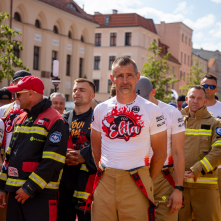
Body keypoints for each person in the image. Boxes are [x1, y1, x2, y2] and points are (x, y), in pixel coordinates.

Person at [90, 57, 167, 221]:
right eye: (119, 76)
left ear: (137, 77)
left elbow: (160, 154)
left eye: (129, 75)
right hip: (105, 180)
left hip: (138, 179)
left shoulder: (152, 110)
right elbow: (96, 149)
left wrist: (146, 177)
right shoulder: (100, 109)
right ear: (112, 79)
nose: (124, 81)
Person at [0, 75, 69, 221]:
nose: (15, 98)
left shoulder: (56, 120)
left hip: (39, 195)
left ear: (31, 93)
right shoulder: (21, 118)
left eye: (18, 94)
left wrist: (29, 188)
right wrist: (2, 187)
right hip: (14, 194)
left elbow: (53, 162)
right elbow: (9, 156)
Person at [136, 76, 185, 221]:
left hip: (164, 179)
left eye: (145, 97)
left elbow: (178, 153)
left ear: (154, 92)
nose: (142, 102)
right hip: (136, 174)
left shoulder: (172, 113)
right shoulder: (130, 111)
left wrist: (178, 188)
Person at [178, 85, 221, 221]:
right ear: (186, 99)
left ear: (205, 102)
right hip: (180, 186)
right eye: (192, 97)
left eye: (199, 98)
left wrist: (197, 169)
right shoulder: (176, 120)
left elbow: (219, 151)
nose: (195, 101)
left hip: (205, 187)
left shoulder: (215, 123)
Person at [57, 78, 96, 221]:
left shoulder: (98, 119)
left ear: (92, 95)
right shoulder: (62, 119)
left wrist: (84, 155)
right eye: (75, 90)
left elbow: (106, 145)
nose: (77, 92)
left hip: (87, 184)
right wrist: (63, 153)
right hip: (63, 183)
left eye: (82, 90)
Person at [0, 70, 31, 221]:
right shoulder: (3, 111)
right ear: (12, 84)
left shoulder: (35, 110)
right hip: (5, 165)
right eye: (17, 82)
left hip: (27, 168)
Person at [200, 74, 221, 206]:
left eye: (211, 86)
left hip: (219, 166)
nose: (208, 89)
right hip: (198, 163)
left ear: (216, 89)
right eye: (205, 86)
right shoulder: (193, 107)